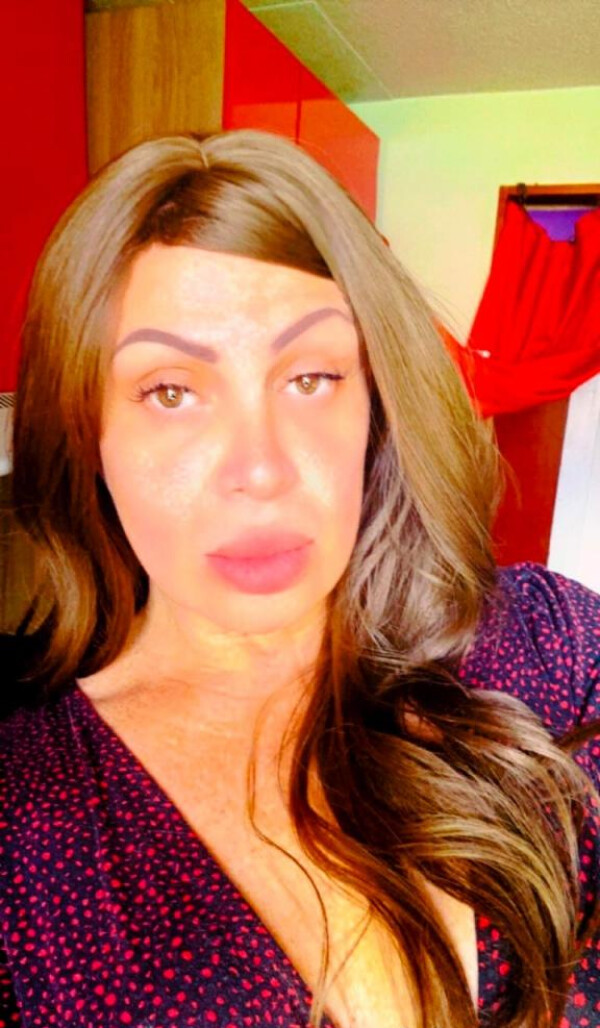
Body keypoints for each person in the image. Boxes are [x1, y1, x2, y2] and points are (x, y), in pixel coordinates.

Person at [1, 129, 599, 1028]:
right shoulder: (24, 798)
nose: (261, 469)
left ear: (376, 404)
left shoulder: (554, 649)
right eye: (170, 392)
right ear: (86, 432)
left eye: (312, 378)